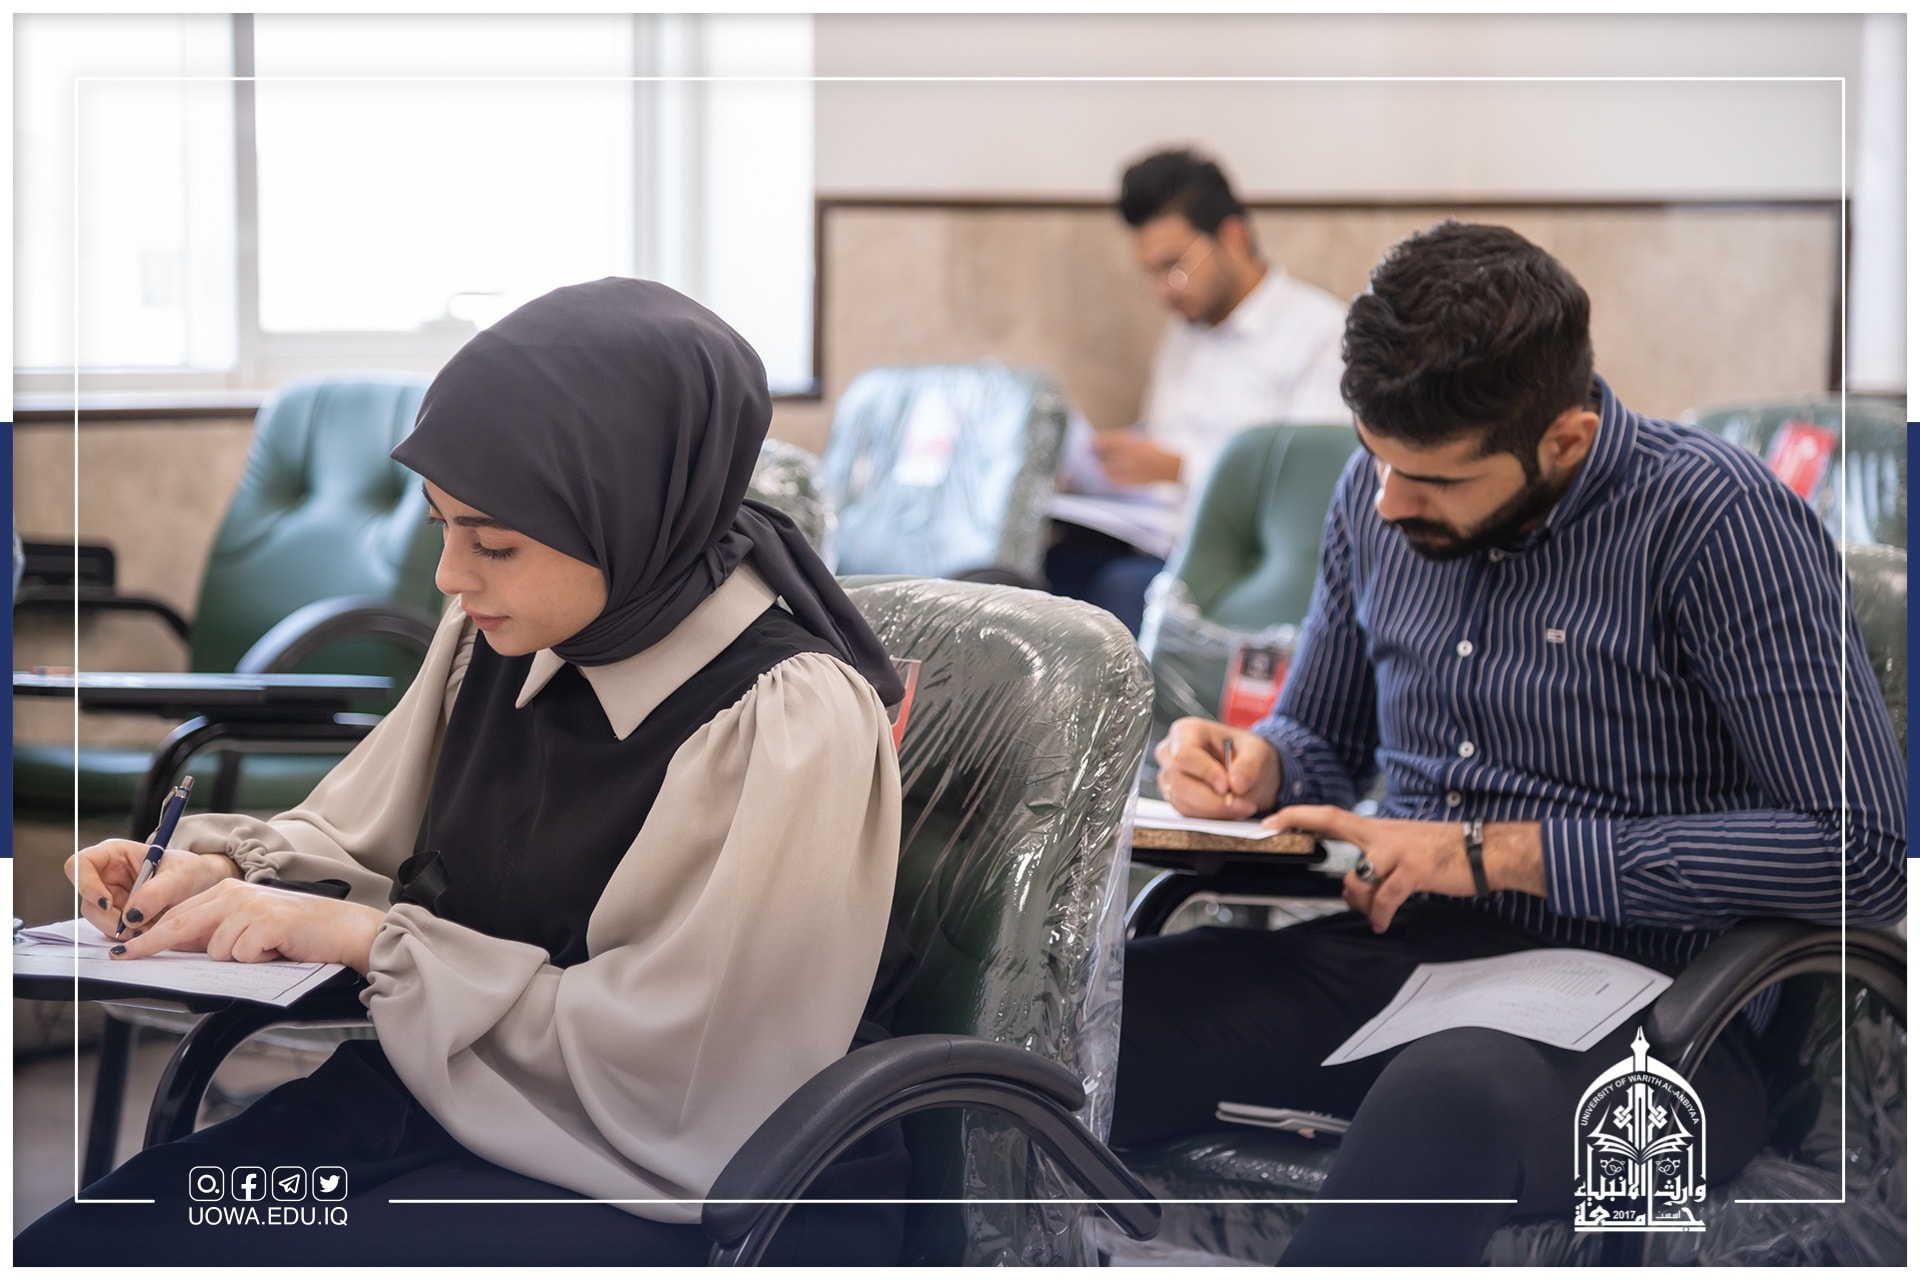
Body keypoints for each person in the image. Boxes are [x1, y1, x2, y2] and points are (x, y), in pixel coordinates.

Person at [17, 279, 913, 1265]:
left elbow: (690, 1070)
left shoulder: (790, 717)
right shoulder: (498, 638)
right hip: (463, 1105)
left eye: (494, 543)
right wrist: (222, 875)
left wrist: (371, 941)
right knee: (97, 1245)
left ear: (630, 514)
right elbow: (361, 839)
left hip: (688, 1185)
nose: (451, 574)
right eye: (440, 526)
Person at [1111, 222, 1906, 1264]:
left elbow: (1861, 848)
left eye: (1436, 481)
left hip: (1669, 1023)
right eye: (1376, 459)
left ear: (1565, 441)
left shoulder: (1718, 524)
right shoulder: (1377, 496)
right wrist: (1258, 767)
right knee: (1100, 1013)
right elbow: (1322, 735)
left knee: (1455, 1090)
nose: (1388, 501)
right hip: (1402, 963)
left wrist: (1496, 852)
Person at [1046, 147, 1348, 634]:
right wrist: (1107, 466)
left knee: (1117, 588)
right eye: (1150, 273)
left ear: (1233, 237)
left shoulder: (1319, 334)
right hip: (1161, 535)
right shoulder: (1185, 333)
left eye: (1174, 266)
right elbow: (1165, 436)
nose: (1163, 289)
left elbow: (1314, 490)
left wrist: (1178, 468)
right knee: (1047, 561)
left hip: (1241, 562)